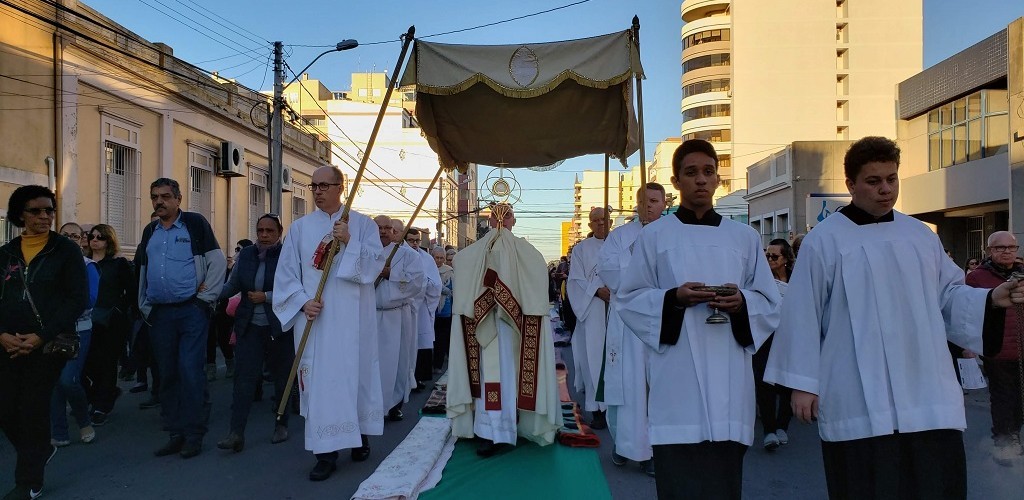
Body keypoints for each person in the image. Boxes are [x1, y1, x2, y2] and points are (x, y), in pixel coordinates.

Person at [764, 137, 1024, 498]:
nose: (885, 189)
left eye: (892, 179)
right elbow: (803, 312)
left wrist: (992, 298)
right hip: (855, 389)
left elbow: (948, 294)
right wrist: (803, 383)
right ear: (851, 185)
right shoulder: (824, 241)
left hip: (925, 390)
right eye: (873, 181)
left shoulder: (918, 235)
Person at [618, 140, 781, 499]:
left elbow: (769, 302)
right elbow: (629, 299)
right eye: (691, 173)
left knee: (722, 484)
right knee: (680, 483)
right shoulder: (654, 236)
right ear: (676, 182)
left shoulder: (744, 237)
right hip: (676, 378)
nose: (701, 180)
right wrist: (673, 298)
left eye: (708, 172)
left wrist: (741, 303)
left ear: (718, 179)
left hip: (730, 376)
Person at [272, 166, 385, 481]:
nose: (318, 191)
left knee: (356, 378)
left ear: (341, 187)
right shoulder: (300, 228)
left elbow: (374, 268)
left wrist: (350, 241)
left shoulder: (362, 225)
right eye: (313, 185)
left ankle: (360, 436)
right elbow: (286, 274)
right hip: (317, 321)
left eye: (324, 185)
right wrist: (301, 301)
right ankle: (325, 453)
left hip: (354, 320)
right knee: (322, 386)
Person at [447, 204, 561, 457]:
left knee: (511, 376)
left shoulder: (523, 251)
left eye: (505, 215)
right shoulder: (480, 252)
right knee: (491, 376)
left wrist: (499, 295)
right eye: (497, 215)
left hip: (512, 329)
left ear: (513, 220)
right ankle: (491, 431)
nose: (501, 220)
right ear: (489, 220)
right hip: (487, 326)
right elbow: (461, 264)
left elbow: (537, 281)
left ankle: (506, 429)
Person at [0, 185, 88, 500]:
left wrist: (41, 335)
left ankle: (30, 481)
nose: (44, 216)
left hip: (48, 344)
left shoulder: (65, 250)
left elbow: (77, 299)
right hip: (9, 344)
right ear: (19, 215)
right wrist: (3, 335)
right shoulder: (6, 253)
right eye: (35, 211)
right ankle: (40, 449)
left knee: (32, 409)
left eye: (49, 210)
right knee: (6, 409)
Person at [136, 178, 226, 459]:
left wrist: (204, 301)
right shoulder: (150, 230)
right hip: (160, 313)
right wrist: (144, 304)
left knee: (190, 370)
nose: (159, 201)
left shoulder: (194, 224)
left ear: (178, 199)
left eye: (165, 196)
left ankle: (194, 434)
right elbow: (142, 268)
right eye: (154, 197)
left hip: (190, 311)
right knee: (167, 374)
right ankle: (175, 433)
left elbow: (217, 262)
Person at [598, 182, 667, 477]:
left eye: (654, 200)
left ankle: (652, 449)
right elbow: (609, 271)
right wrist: (643, 272)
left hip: (662, 318)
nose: (648, 205)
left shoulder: (672, 232)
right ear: (636, 204)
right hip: (627, 322)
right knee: (628, 385)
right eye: (644, 200)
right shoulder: (620, 237)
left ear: (665, 203)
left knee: (658, 388)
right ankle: (624, 442)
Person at [215, 215, 293, 453]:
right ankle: (236, 432)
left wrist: (267, 297)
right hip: (248, 326)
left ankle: (281, 424)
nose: (264, 235)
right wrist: (212, 294)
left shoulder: (287, 256)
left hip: (278, 327)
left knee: (281, 379)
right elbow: (234, 283)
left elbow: (295, 288)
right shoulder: (247, 254)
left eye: (270, 230)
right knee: (243, 380)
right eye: (260, 230)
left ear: (279, 232)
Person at [965, 231, 1024, 465]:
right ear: (989, 251)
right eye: (1000, 248)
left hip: (1022, 347)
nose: (1007, 251)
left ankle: (1014, 437)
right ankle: (1003, 443)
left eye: (1011, 247)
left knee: (1020, 398)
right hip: (997, 348)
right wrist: (967, 347)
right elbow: (968, 314)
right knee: (1002, 397)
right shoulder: (977, 278)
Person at [50, 224, 100, 447]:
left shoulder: (88, 266)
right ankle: (59, 432)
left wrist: (60, 309)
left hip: (78, 330)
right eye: (65, 235)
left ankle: (84, 421)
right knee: (54, 382)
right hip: (51, 331)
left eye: (75, 235)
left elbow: (89, 299)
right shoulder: (49, 264)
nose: (70, 239)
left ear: (82, 240)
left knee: (68, 380)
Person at [83, 224, 136, 427]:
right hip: (85, 320)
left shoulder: (118, 264)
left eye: (100, 237)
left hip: (111, 321)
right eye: (92, 236)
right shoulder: (84, 264)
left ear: (109, 241)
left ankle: (101, 406)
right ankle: (100, 395)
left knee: (106, 363)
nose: (95, 240)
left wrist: (117, 309)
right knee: (86, 363)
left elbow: (131, 291)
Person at [373, 215, 424, 422]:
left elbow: (417, 282)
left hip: (396, 315)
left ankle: (394, 404)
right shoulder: (364, 252)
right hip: (369, 315)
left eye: (387, 228)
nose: (383, 231)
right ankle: (372, 405)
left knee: (397, 362)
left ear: (395, 231)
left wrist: (390, 275)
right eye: (379, 227)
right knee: (372, 363)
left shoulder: (407, 255)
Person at [567, 207, 610, 430]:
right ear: (590, 224)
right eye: (596, 220)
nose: (601, 223)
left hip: (617, 310)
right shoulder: (581, 250)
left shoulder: (620, 244)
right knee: (594, 358)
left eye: (604, 219)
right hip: (592, 310)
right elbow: (575, 280)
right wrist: (597, 291)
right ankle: (597, 410)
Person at [753, 238, 795, 452]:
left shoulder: (798, 281)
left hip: (789, 337)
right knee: (764, 382)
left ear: (786, 259)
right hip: (765, 337)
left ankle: (782, 426)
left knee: (787, 383)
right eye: (766, 255)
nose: (769, 259)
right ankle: (769, 430)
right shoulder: (761, 281)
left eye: (774, 256)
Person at [206, 240, 250, 382]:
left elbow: (232, 287)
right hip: (214, 307)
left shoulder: (241, 267)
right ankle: (211, 368)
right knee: (210, 338)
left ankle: (232, 363)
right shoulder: (222, 267)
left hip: (229, 310)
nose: (236, 252)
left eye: (239, 249)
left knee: (225, 338)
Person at [409, 228, 441, 391]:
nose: (415, 244)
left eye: (417, 240)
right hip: (403, 305)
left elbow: (436, 284)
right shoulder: (401, 254)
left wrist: (424, 284)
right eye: (411, 240)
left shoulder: (426, 259)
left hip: (421, 307)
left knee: (421, 341)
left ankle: (419, 377)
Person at [433, 247, 454, 373]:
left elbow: (453, 289)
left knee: (441, 339)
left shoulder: (449, 271)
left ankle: (438, 365)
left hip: (445, 311)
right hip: (430, 309)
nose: (439, 261)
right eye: (437, 258)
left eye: (442, 258)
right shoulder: (429, 269)